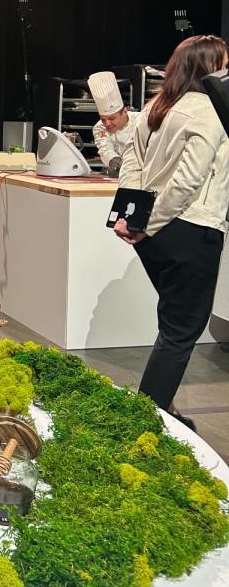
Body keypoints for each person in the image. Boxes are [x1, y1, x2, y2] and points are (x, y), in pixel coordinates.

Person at [114, 35, 229, 430]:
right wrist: (148, 224)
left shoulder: (155, 107)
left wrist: (133, 218)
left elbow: (131, 163)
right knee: (181, 332)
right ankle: (143, 424)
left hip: (156, 235)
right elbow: (188, 181)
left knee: (173, 326)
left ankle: (163, 409)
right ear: (210, 67)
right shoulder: (209, 112)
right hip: (192, 229)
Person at [87, 71, 140, 176]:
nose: (107, 124)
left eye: (112, 118)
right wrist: (115, 161)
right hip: (117, 173)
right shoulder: (99, 127)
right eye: (103, 119)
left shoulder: (141, 120)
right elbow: (105, 148)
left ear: (125, 112)